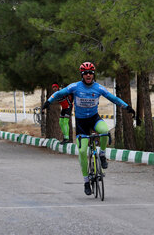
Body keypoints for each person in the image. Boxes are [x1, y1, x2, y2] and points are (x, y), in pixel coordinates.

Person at [42, 62, 135, 196]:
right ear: (82, 75)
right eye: (85, 73)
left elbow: (113, 98)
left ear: (94, 74)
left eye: (90, 72)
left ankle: (102, 154)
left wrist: (127, 107)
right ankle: (86, 181)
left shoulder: (99, 88)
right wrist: (48, 102)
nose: (88, 75)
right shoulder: (75, 87)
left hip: (94, 119)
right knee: (82, 151)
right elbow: (58, 94)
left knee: (104, 131)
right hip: (81, 123)